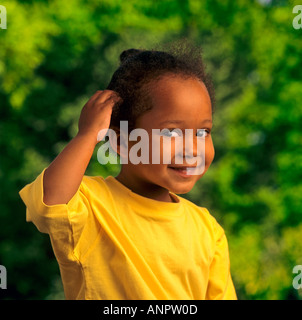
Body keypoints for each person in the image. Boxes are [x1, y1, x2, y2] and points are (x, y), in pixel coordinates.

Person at [19, 40, 237, 300]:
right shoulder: (90, 204)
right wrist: (88, 134)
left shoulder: (208, 231)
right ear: (121, 141)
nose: (192, 149)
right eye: (171, 132)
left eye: (203, 132)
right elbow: (48, 204)